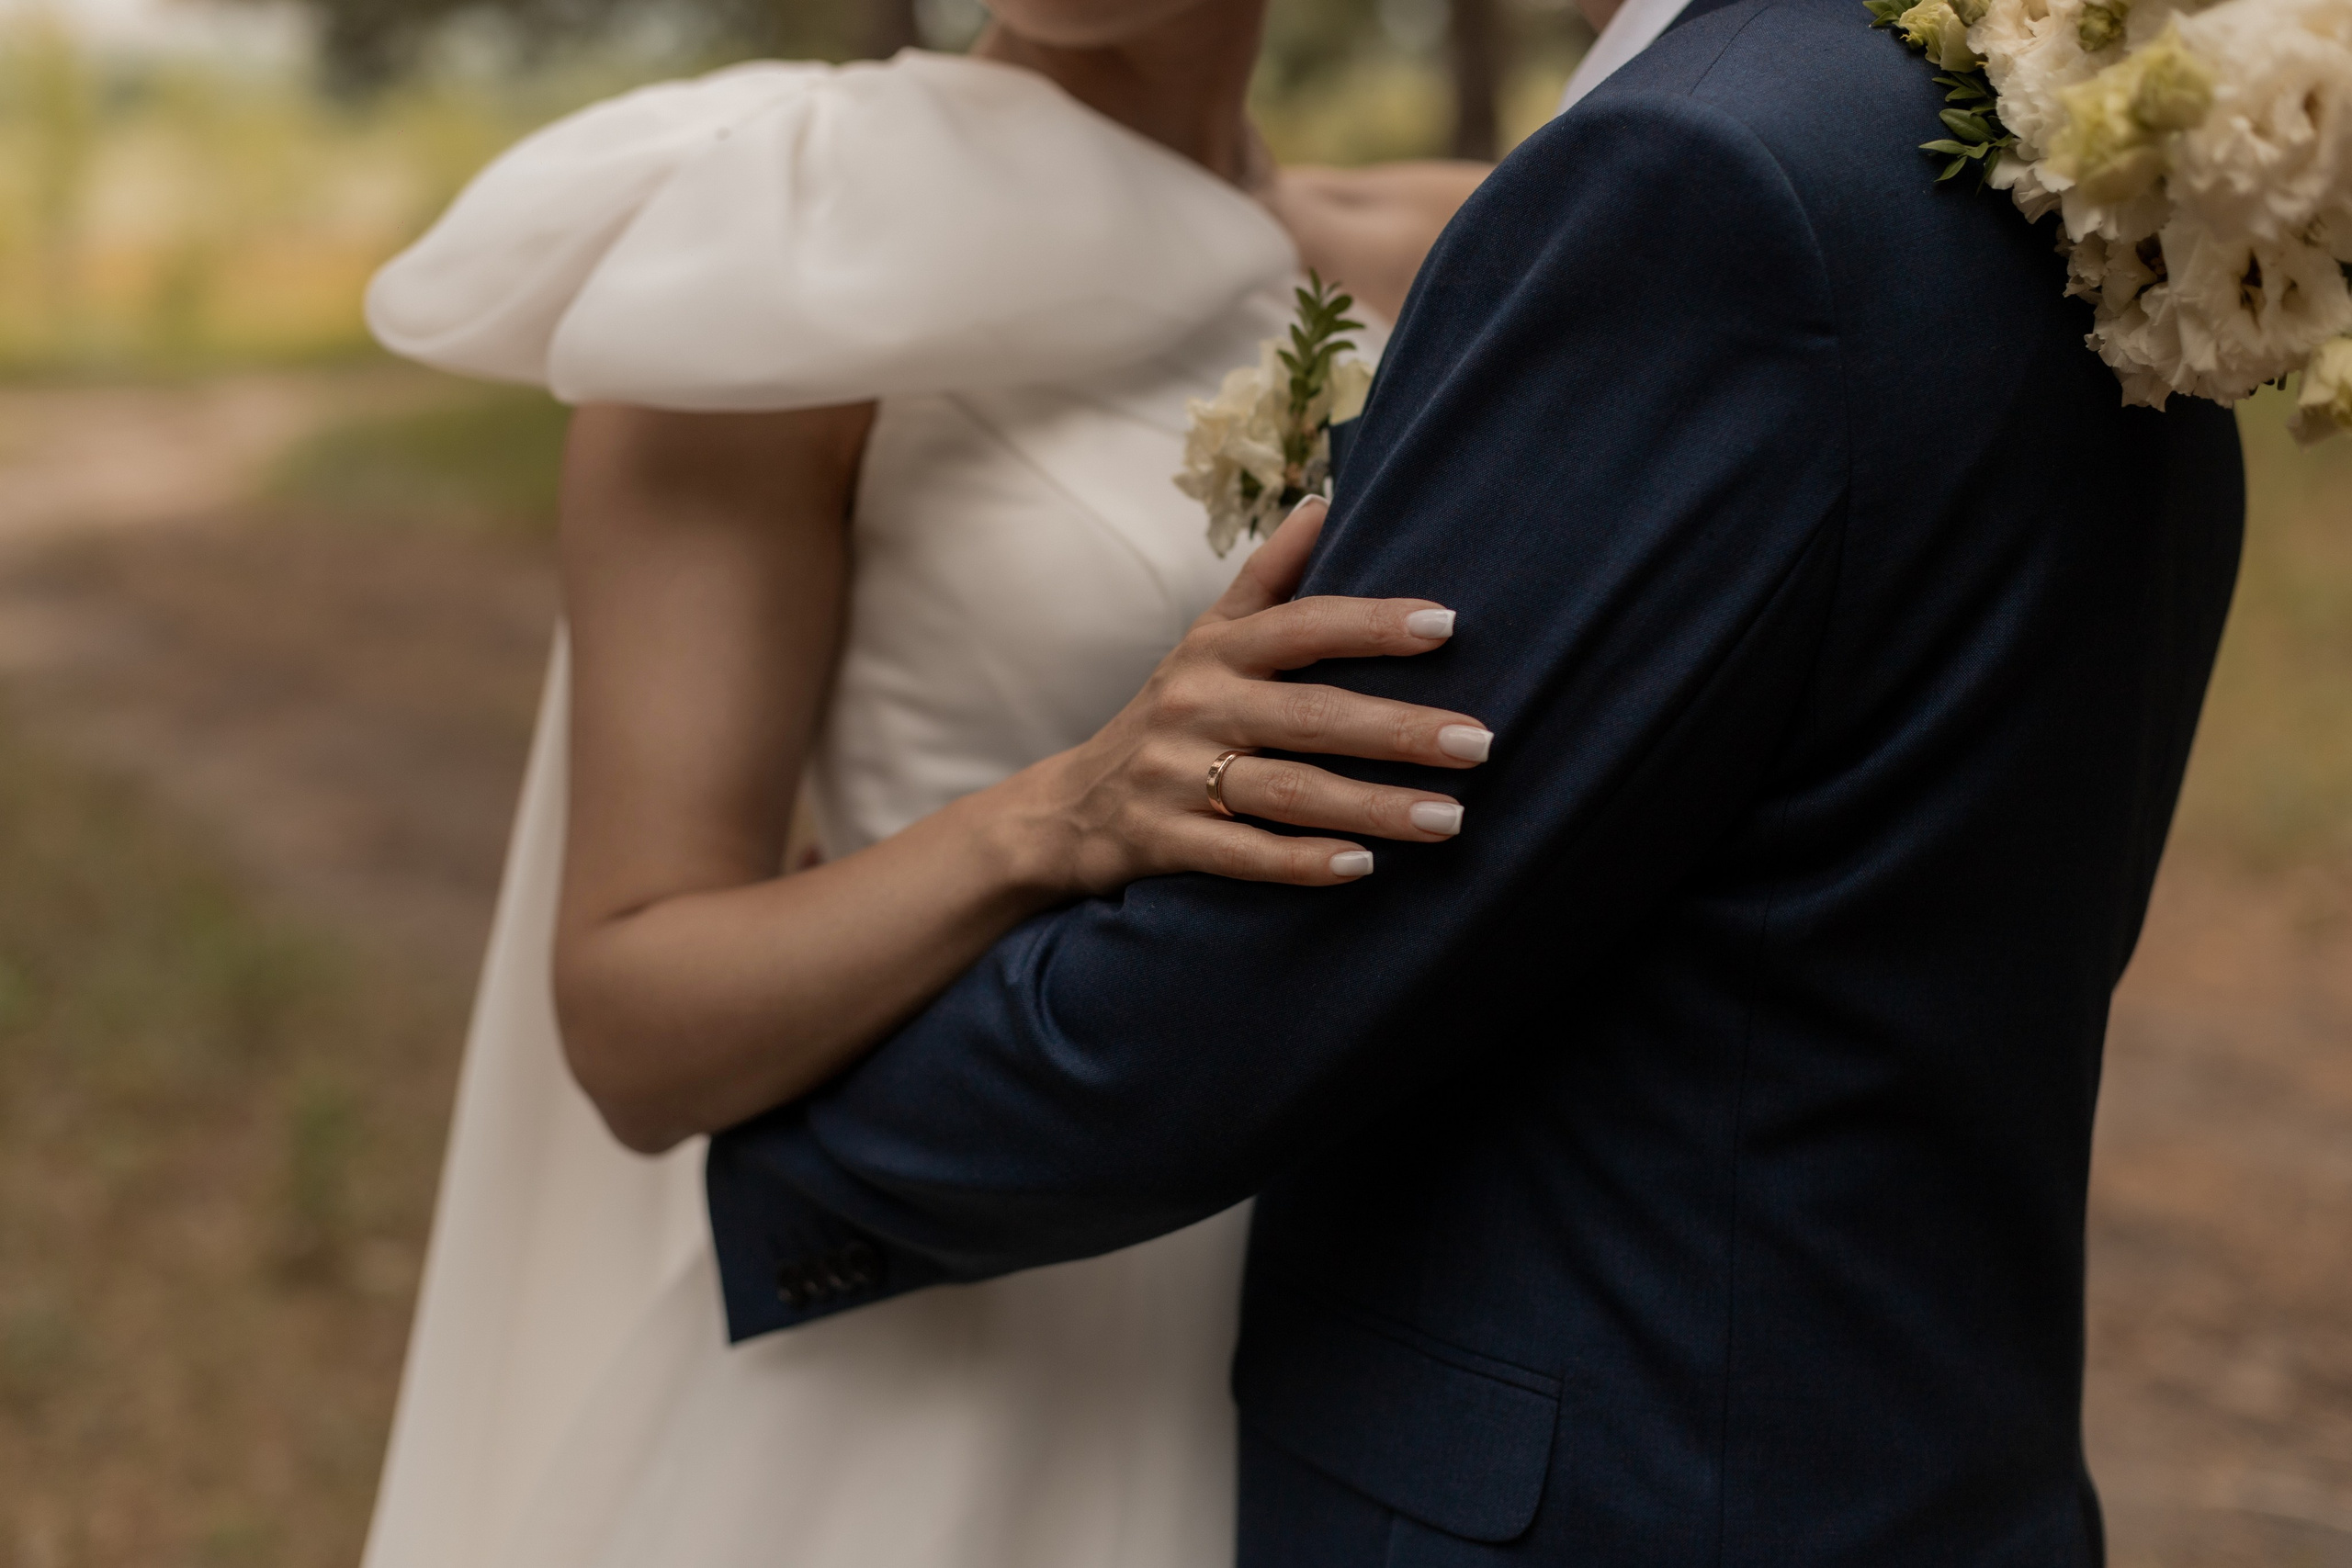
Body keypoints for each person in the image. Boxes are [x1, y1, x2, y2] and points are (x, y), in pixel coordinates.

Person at [698, 0, 2248, 1563]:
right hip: (1921, 1462)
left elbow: (1293, 935)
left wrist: (776, 1165)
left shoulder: (1699, 171)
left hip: (1615, 1492)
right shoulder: (2059, 126)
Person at [356, 6, 1493, 1568]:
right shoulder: (779, 253)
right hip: (972, 1370)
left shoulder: (1469, 242)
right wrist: (1055, 818)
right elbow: (632, 1015)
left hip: (1385, 1343)